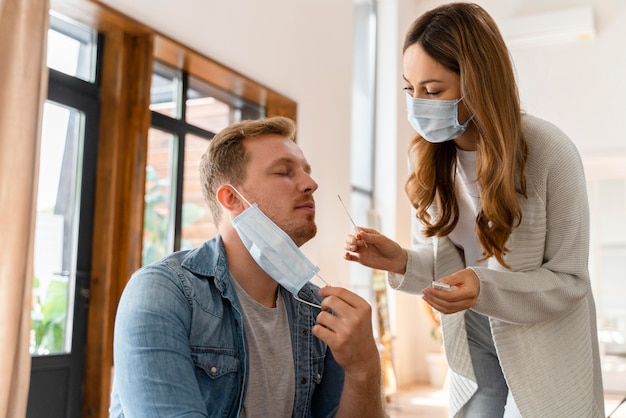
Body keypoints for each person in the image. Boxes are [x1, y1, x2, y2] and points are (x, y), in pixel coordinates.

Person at [344, 3, 604, 418]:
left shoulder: (550, 152)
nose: (417, 104)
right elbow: (445, 262)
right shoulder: (427, 162)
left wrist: (485, 287)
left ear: (480, 84)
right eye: (409, 89)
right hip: (472, 331)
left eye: (433, 91)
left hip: (542, 340)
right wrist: (401, 261)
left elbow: (570, 281)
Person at [109, 116, 385, 417]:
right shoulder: (161, 293)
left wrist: (364, 369)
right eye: (284, 172)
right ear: (231, 199)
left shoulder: (317, 310)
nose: (311, 183)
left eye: (306, 171)